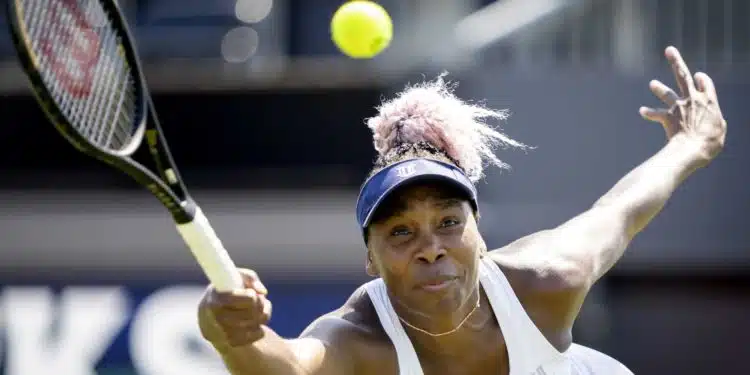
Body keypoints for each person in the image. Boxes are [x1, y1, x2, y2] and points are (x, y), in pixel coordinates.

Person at [197, 46, 726, 375]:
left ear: (479, 234)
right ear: (371, 262)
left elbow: (618, 212)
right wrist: (233, 334)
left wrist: (691, 145)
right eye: (401, 232)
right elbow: (287, 368)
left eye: (449, 222)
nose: (431, 249)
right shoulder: (358, 339)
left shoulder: (546, 282)